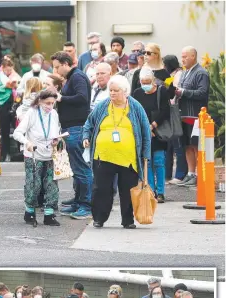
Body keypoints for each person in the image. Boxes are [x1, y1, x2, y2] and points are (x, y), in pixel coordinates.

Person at [83, 75, 151, 229]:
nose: (112, 93)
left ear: (125, 92)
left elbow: (145, 131)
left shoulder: (135, 107)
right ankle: (99, 218)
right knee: (101, 189)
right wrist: (86, 136)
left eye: (116, 91)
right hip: (103, 155)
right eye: (110, 90)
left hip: (128, 157)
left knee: (128, 189)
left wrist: (146, 154)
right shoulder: (103, 105)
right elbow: (89, 122)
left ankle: (127, 220)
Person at [50, 51, 93, 219]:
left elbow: (83, 98)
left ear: (66, 64)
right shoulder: (73, 78)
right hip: (71, 127)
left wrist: (61, 98)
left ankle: (86, 205)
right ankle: (79, 200)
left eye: (57, 67)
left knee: (81, 168)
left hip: (77, 127)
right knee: (76, 168)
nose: (56, 70)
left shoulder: (77, 77)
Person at [13, 90, 61, 227]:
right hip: (33, 154)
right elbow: (17, 133)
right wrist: (27, 142)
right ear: (40, 101)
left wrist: (56, 140)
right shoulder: (32, 113)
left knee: (51, 185)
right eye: (47, 103)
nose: (50, 106)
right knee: (34, 184)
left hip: (50, 154)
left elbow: (55, 131)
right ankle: (29, 212)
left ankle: (49, 214)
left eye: (52, 103)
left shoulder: (54, 114)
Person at [133, 67, 171, 203]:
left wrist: (153, 125)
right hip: (144, 132)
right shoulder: (137, 93)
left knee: (159, 161)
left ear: (153, 80)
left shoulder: (162, 91)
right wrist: (145, 128)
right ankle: (150, 190)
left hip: (159, 132)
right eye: (143, 82)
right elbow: (134, 112)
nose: (145, 84)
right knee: (147, 163)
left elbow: (166, 111)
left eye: (148, 81)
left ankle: (160, 192)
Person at [175, 46, 210, 187]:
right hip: (184, 115)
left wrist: (183, 92)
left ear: (193, 56)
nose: (182, 59)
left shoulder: (201, 73)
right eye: (182, 57)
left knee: (196, 145)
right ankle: (191, 173)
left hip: (196, 116)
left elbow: (202, 93)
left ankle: (199, 174)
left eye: (185, 57)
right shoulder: (184, 72)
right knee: (187, 145)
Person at [162, 55, 187, 184]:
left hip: (175, 110)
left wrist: (165, 80)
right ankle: (167, 174)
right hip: (169, 109)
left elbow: (171, 89)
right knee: (169, 145)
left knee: (177, 144)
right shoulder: (172, 74)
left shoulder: (178, 74)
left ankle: (180, 174)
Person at [0, 58, 20, 161]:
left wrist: (15, 85)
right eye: (7, 70)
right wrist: (5, 86)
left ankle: (19, 153)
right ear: (3, 68)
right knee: (4, 130)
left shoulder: (15, 76)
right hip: (1, 105)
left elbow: (21, 86)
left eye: (11, 70)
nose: (9, 73)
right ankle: (5, 154)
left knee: (18, 128)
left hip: (14, 104)